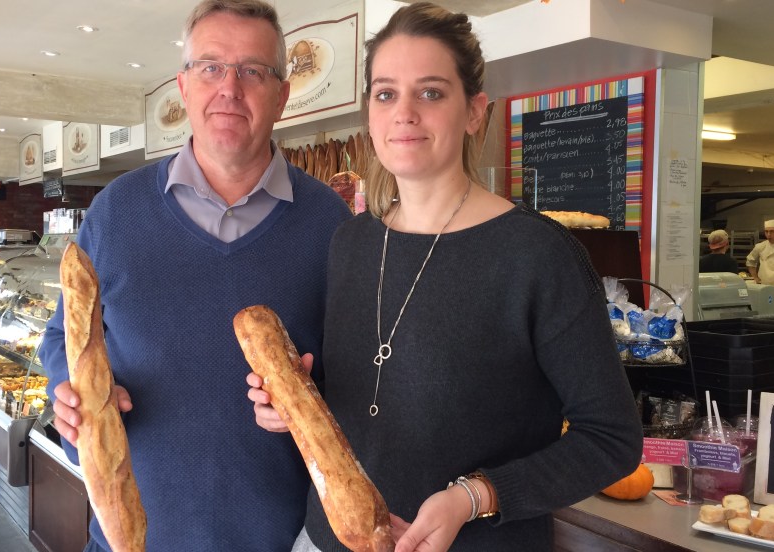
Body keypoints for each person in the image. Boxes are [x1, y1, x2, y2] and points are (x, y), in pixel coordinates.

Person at [248, 4, 643, 551]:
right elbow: (369, 395)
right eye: (386, 94)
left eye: (430, 92)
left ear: (474, 111)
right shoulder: (351, 242)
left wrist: (475, 496)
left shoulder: (538, 254)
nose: (404, 113)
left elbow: (612, 439)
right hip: (329, 540)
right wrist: (292, 403)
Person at [37, 1, 352, 550]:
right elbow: (61, 337)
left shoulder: (330, 224)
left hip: (281, 541)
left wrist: (314, 396)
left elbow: (361, 381)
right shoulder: (116, 212)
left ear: (281, 95)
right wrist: (70, 395)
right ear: (183, 86)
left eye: (253, 70)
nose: (229, 88)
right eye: (210, 67)